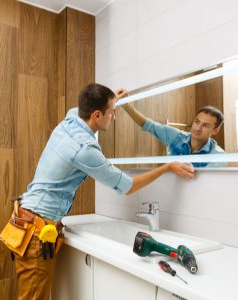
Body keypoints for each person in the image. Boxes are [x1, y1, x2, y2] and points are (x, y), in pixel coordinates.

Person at [11, 83, 195, 300]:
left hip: (27, 218)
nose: (114, 117)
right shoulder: (85, 149)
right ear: (97, 114)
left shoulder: (70, 120)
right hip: (37, 231)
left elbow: (87, 110)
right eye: (112, 112)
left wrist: (112, 100)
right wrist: (167, 167)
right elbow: (128, 187)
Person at [121, 103, 225, 167]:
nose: (198, 128)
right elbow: (148, 125)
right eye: (197, 122)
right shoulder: (176, 137)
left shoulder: (217, 155)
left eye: (205, 125)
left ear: (215, 130)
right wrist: (127, 106)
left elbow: (208, 185)